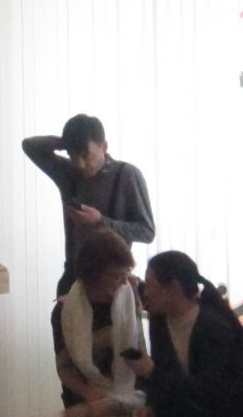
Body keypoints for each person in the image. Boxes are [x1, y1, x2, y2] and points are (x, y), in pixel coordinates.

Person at [124, 251, 243, 417]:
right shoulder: (159, 320)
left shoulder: (213, 327)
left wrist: (151, 372)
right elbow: (166, 373)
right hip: (181, 412)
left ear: (173, 288)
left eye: (150, 285)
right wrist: (152, 406)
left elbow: (208, 391)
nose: (145, 292)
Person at [23, 114, 155, 295]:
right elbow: (29, 146)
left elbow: (147, 232)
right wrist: (65, 142)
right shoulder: (68, 172)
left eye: (86, 156)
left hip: (112, 283)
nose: (80, 164)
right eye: (72, 156)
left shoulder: (127, 174)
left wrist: (100, 221)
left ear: (104, 146)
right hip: (73, 277)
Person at [52, 230, 148, 417]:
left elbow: (140, 356)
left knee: (99, 415)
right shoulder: (66, 311)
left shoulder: (130, 296)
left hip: (131, 389)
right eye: (115, 276)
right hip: (91, 391)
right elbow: (64, 367)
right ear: (92, 276)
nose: (124, 281)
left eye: (126, 273)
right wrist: (87, 392)